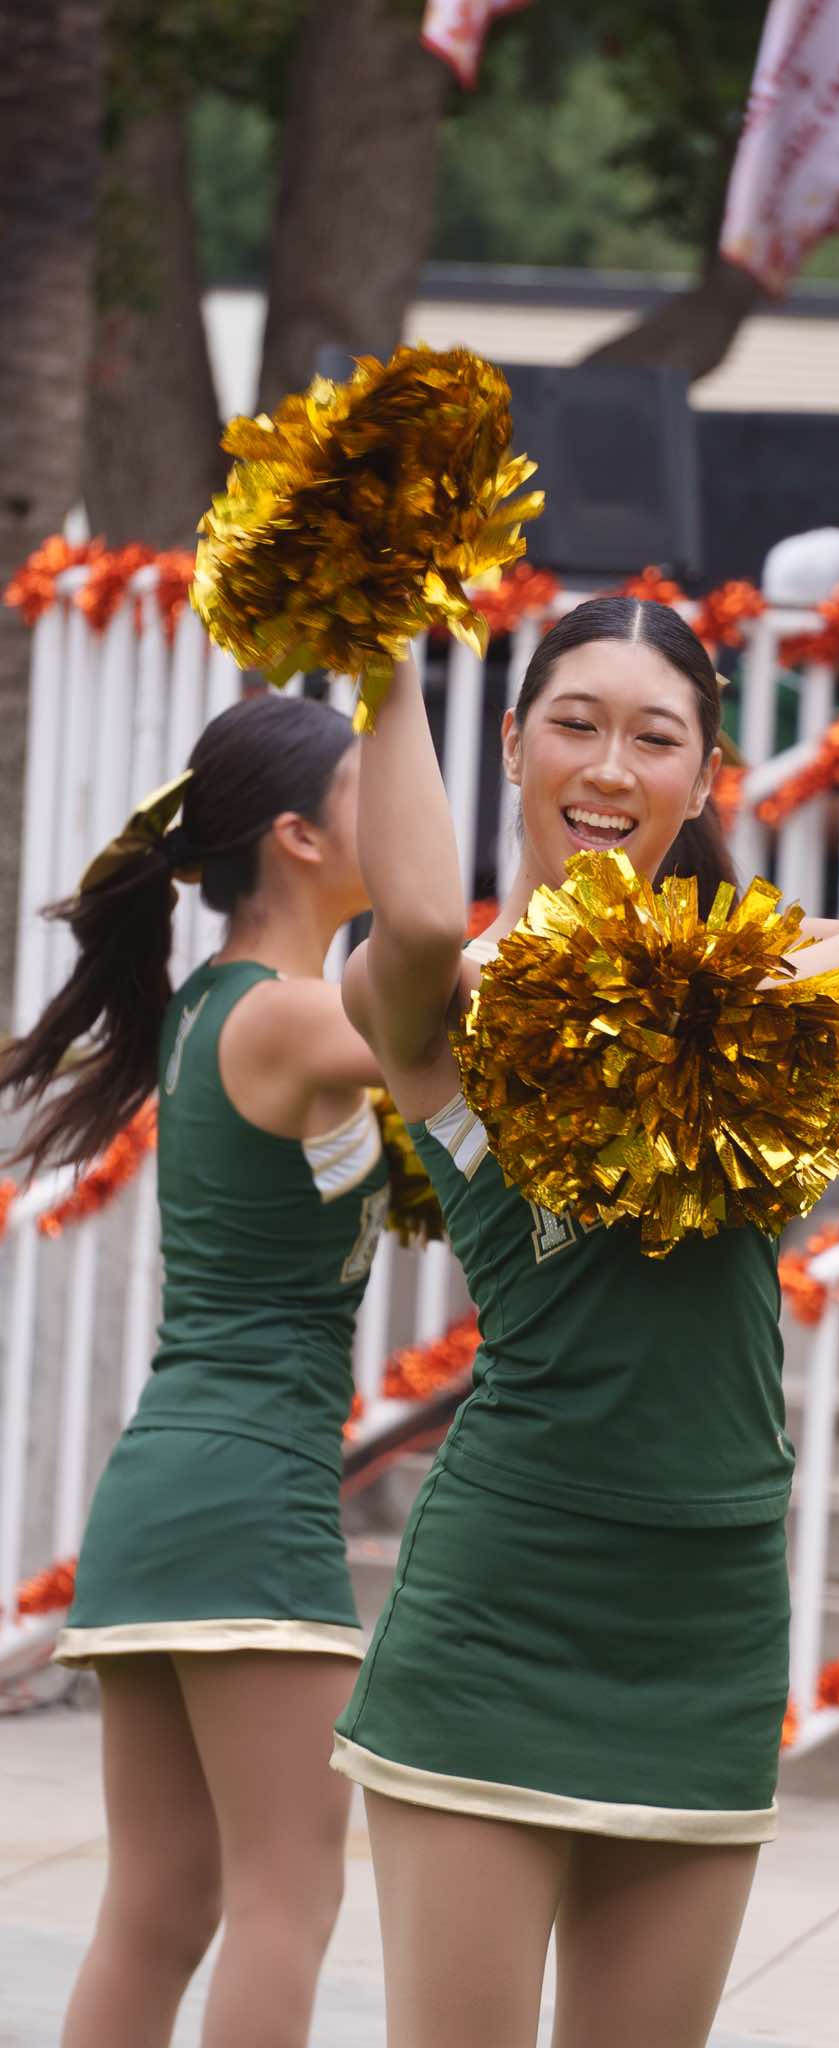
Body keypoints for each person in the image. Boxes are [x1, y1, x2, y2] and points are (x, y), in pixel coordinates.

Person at [332, 595, 839, 2048]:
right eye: (575, 725)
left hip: (709, 1608)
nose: (610, 768)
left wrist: (708, 996)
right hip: (505, 1599)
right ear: (512, 745)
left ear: (706, 777)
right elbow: (417, 917)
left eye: (654, 738)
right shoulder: (443, 993)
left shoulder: (752, 977)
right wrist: (384, 645)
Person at [0, 694, 389, 2048]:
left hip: (170, 1489)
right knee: (289, 1895)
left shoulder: (214, 1006)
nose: (403, 819)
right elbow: (463, 1007)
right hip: (246, 1497)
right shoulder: (288, 1017)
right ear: (298, 836)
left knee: (160, 1908)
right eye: (373, 790)